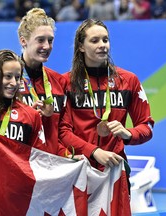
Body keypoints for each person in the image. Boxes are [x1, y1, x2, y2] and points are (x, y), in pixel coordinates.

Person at [59, 19, 154, 179]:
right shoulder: (66, 83)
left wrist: (128, 134)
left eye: (105, 39)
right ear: (81, 46)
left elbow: (147, 127)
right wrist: (93, 151)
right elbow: (62, 132)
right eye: (94, 41)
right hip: (78, 170)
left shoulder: (129, 80)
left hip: (115, 170)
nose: (102, 45)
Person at [17, 8, 70, 157]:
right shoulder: (7, 80)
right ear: (23, 41)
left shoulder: (59, 81)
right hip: (19, 166)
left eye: (50, 40)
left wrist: (68, 155)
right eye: (40, 40)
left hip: (51, 168)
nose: (47, 46)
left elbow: (61, 131)